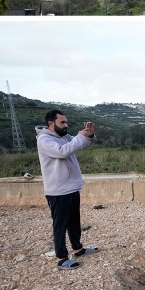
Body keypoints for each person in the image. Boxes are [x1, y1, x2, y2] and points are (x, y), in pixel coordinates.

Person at [36, 109, 98, 271]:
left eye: (66, 122)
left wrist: (89, 135)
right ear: (51, 123)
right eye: (62, 122)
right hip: (57, 190)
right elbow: (62, 152)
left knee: (74, 221)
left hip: (71, 187)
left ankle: (78, 249)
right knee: (60, 225)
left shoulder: (64, 136)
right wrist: (80, 136)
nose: (66, 125)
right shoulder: (44, 139)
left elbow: (81, 145)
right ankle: (62, 258)